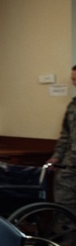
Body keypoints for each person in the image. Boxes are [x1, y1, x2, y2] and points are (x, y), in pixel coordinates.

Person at [47, 65, 76, 211]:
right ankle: (68, 233)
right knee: (64, 206)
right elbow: (65, 135)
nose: (74, 83)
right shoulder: (72, 105)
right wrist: (56, 157)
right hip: (70, 164)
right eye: (72, 79)